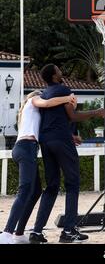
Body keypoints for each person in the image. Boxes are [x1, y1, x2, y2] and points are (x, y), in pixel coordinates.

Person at [29, 64, 105, 244]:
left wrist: (70, 136)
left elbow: (52, 120)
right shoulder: (63, 90)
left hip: (46, 141)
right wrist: (96, 112)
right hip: (60, 141)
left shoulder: (44, 94)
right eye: (58, 70)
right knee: (72, 183)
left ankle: (37, 232)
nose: (61, 71)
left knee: (52, 186)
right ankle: (69, 231)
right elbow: (72, 116)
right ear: (55, 76)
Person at [0, 90, 76, 245]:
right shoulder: (34, 100)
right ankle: (7, 233)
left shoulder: (35, 115)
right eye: (43, 94)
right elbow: (48, 102)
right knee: (25, 190)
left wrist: (70, 137)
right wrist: (67, 98)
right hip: (26, 147)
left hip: (27, 148)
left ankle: (19, 233)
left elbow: (48, 131)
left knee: (35, 191)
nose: (45, 97)